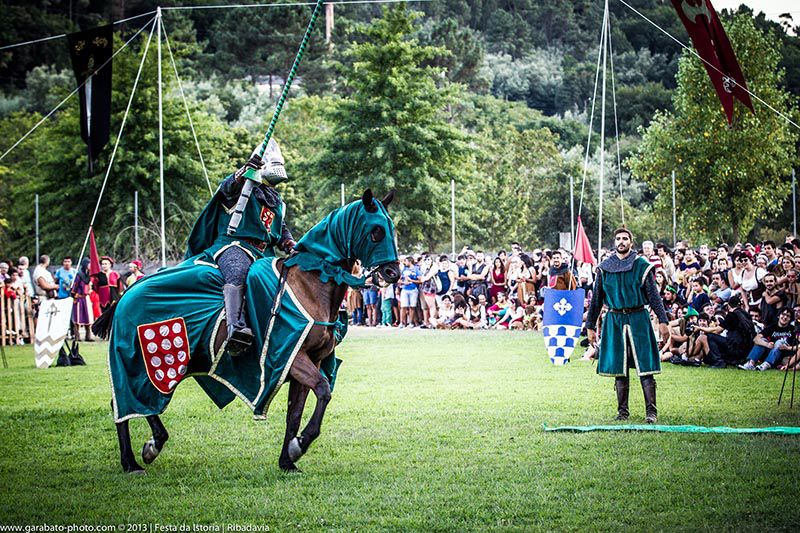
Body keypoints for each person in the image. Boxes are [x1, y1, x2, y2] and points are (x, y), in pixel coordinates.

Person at [184, 140, 295, 353]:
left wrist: (290, 244)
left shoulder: (277, 201)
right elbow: (226, 188)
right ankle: (235, 329)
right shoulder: (243, 187)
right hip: (233, 245)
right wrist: (245, 170)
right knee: (237, 271)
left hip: (263, 252)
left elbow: (280, 228)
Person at [586, 228, 670, 424]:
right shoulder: (605, 268)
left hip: (638, 318)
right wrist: (590, 326)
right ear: (614, 242)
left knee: (645, 366)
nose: (621, 241)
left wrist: (663, 321)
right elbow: (597, 300)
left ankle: (651, 412)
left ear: (631, 243)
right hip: (614, 320)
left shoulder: (642, 266)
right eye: (618, 239)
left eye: (625, 239)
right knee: (619, 368)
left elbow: (654, 297)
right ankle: (622, 412)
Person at [738, 307, 795, 371]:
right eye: (783, 314)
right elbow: (756, 339)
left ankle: (766, 364)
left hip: (783, 355)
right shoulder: (771, 327)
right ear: (779, 315)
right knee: (762, 340)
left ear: (790, 319)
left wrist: (787, 347)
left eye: (788, 316)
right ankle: (750, 363)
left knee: (779, 342)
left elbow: (798, 346)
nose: (785, 317)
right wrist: (767, 344)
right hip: (770, 352)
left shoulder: (793, 329)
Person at [71, 258, 94, 341]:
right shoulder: (79, 275)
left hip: (86, 298)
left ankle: (88, 336)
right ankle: (77, 336)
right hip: (78, 298)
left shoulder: (88, 275)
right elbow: (75, 285)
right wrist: (73, 294)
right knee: (77, 318)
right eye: (89, 264)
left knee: (88, 317)